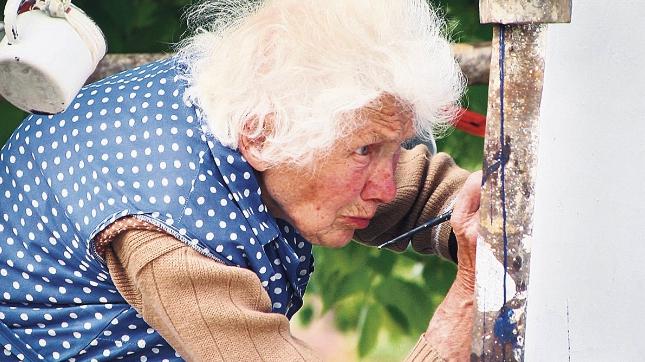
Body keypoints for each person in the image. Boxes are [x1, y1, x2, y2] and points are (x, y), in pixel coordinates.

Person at [0, 0, 480, 360]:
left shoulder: (244, 94)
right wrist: (457, 323)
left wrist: (496, 215)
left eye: (392, 149)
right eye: (364, 152)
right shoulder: (168, 236)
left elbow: (427, 195)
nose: (386, 188)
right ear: (261, 136)